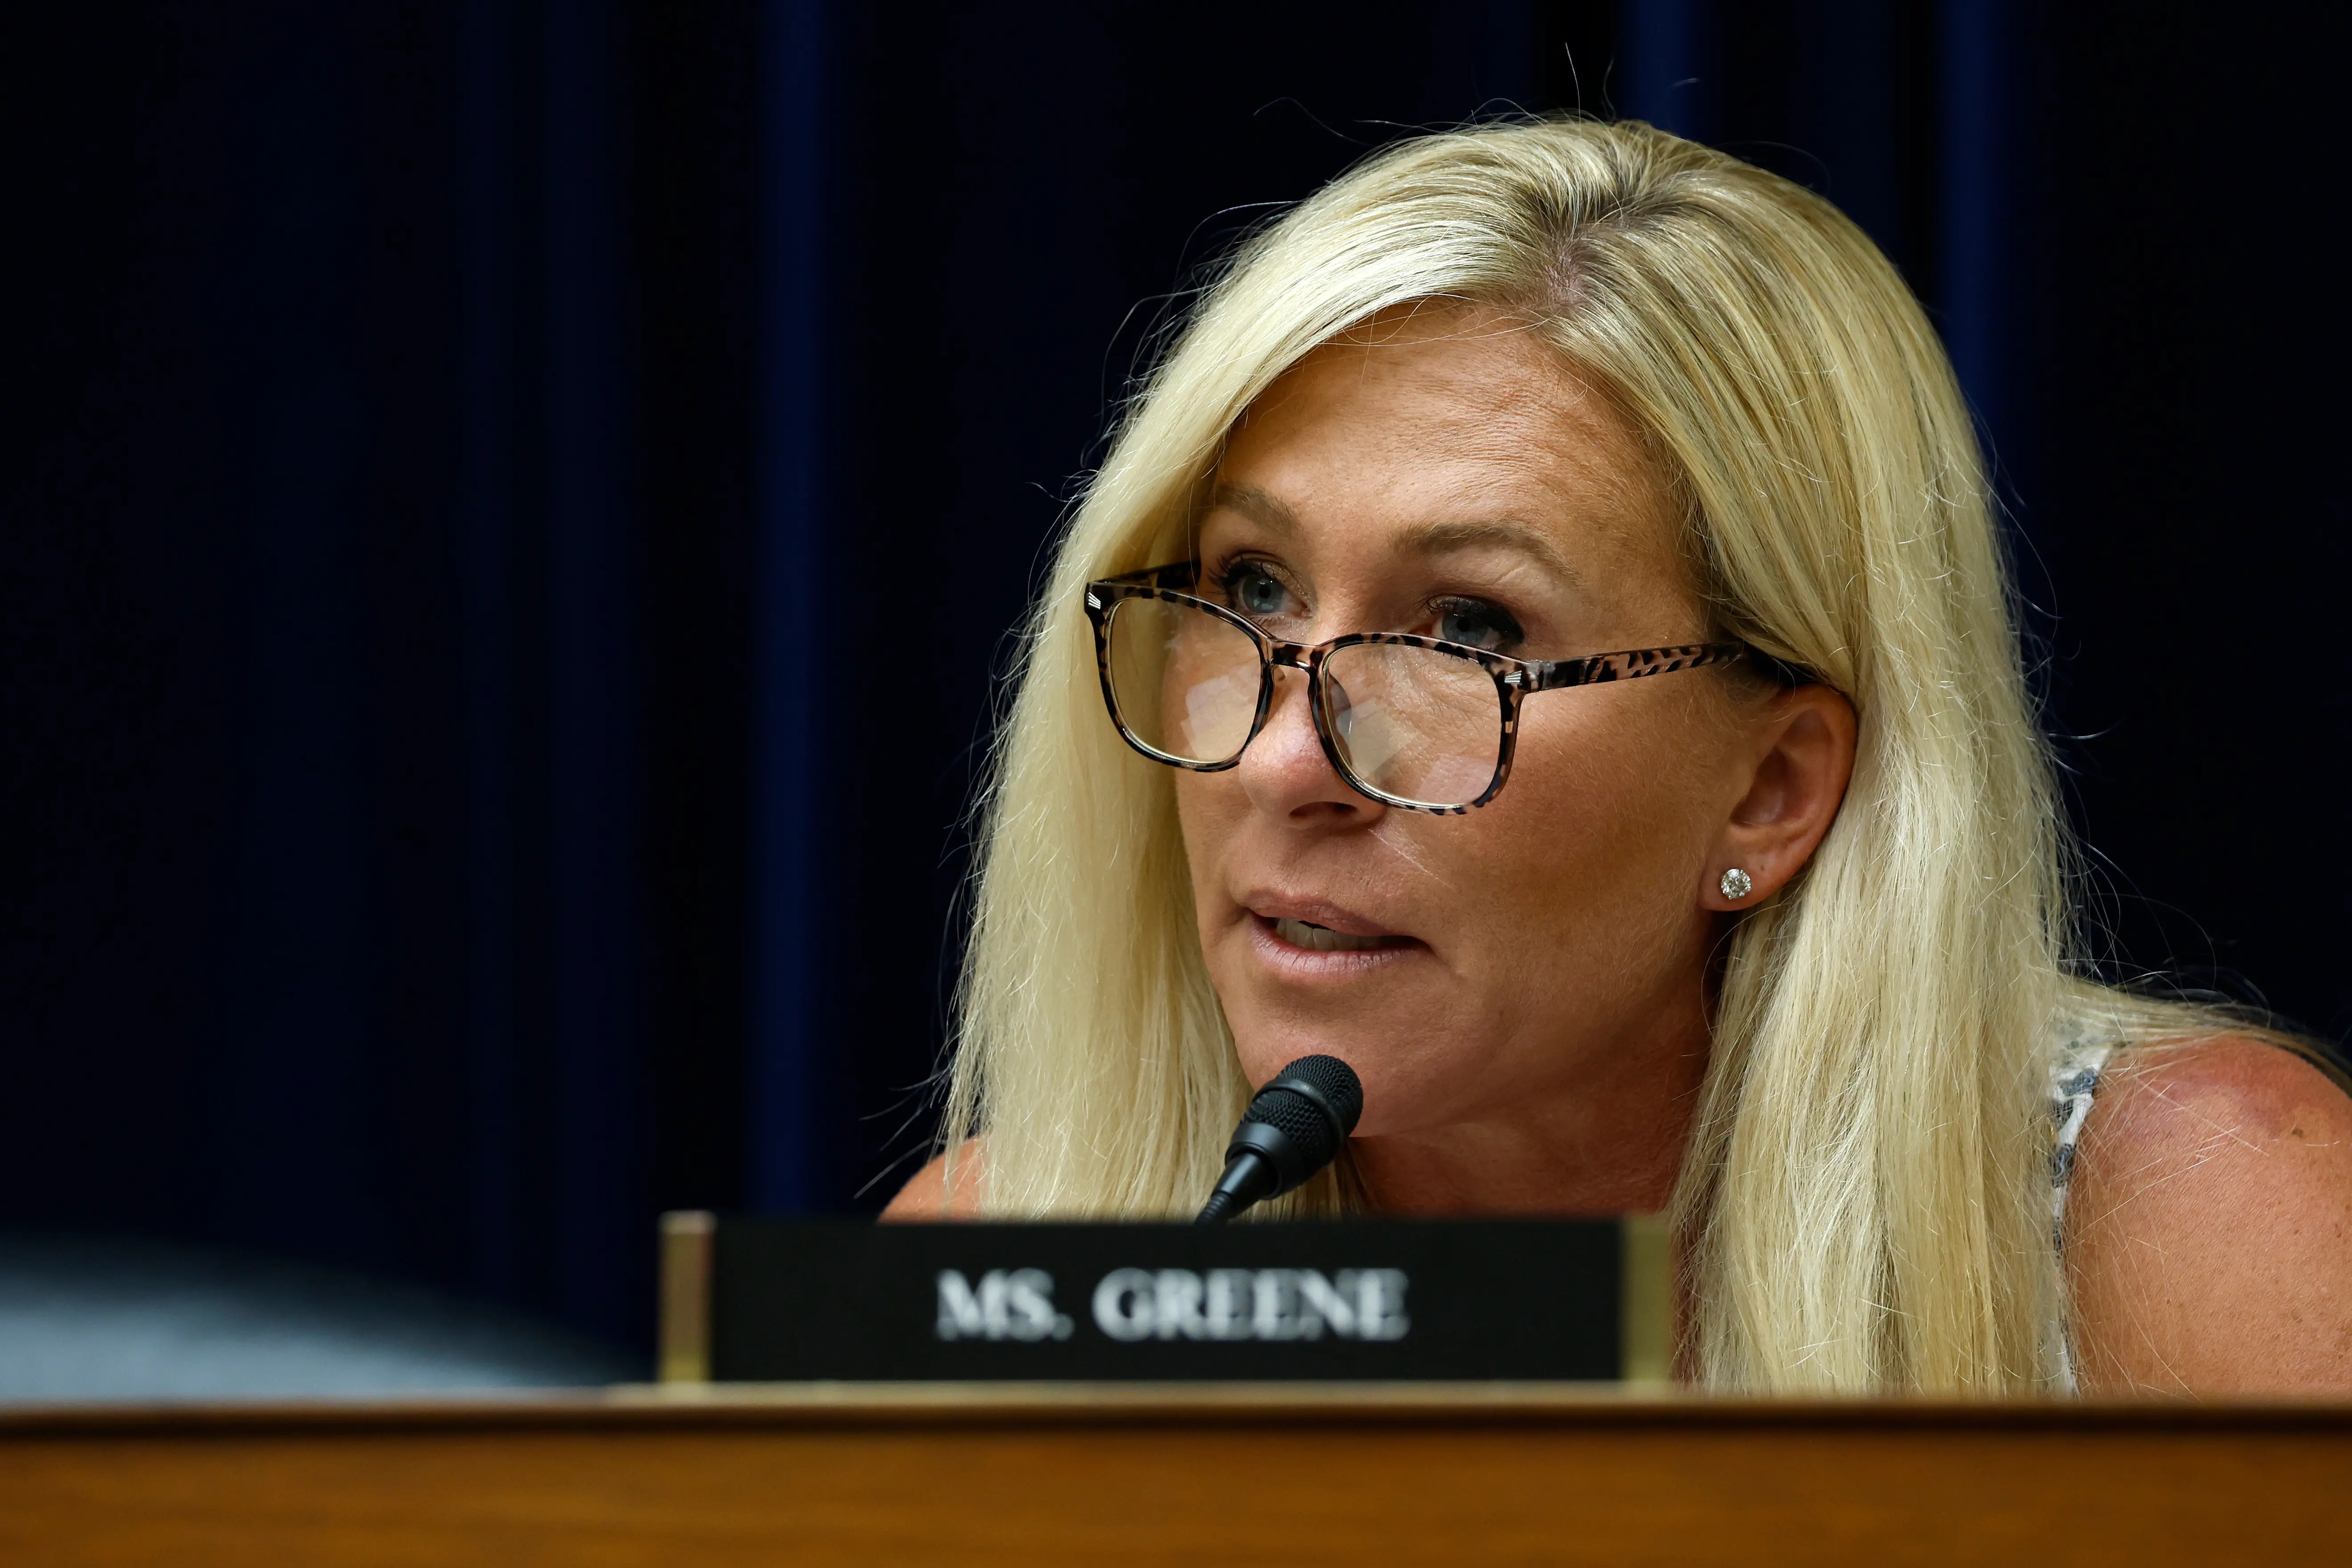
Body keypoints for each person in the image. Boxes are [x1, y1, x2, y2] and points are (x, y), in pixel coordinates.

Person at [883, 118, 2352, 1397]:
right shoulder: (1014, 1270)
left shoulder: (2205, 1230)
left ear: (1773, 789)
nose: (1278, 765)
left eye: (1467, 627)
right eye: (1253, 587)